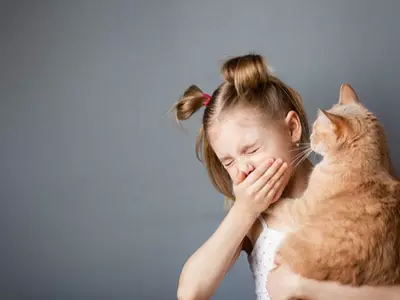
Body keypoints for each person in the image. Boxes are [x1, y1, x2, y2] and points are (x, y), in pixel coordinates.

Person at [172, 53, 400, 300]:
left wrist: (304, 288)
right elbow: (190, 293)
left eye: (251, 150)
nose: (242, 168)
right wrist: (243, 211)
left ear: (292, 128)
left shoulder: (362, 195)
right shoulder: (253, 220)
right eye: (228, 162)